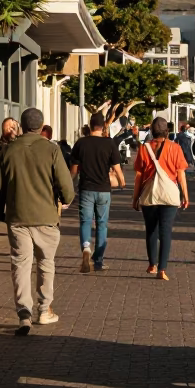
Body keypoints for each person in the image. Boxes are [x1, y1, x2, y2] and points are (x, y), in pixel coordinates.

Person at [0, 108, 75, 335]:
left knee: (20, 263)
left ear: (21, 124)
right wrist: (65, 199)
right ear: (42, 126)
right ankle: (44, 309)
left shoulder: (8, 150)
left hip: (17, 216)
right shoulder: (52, 150)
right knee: (46, 263)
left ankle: (23, 312)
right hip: (46, 216)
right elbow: (66, 186)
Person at [133, 117, 190, 281]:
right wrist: (185, 196)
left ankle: (152, 264)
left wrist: (135, 198)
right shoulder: (175, 148)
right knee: (165, 231)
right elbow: (180, 174)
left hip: (149, 194)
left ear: (152, 130)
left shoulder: (144, 149)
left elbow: (139, 175)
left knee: (151, 229)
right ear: (167, 131)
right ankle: (162, 269)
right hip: (169, 195)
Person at [70, 112, 125, 273]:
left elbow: (73, 171)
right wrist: (122, 181)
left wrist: (68, 186)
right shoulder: (109, 144)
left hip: (86, 188)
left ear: (90, 125)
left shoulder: (81, 143)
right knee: (102, 224)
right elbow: (116, 167)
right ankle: (98, 260)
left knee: (85, 222)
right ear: (103, 126)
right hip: (104, 189)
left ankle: (86, 248)